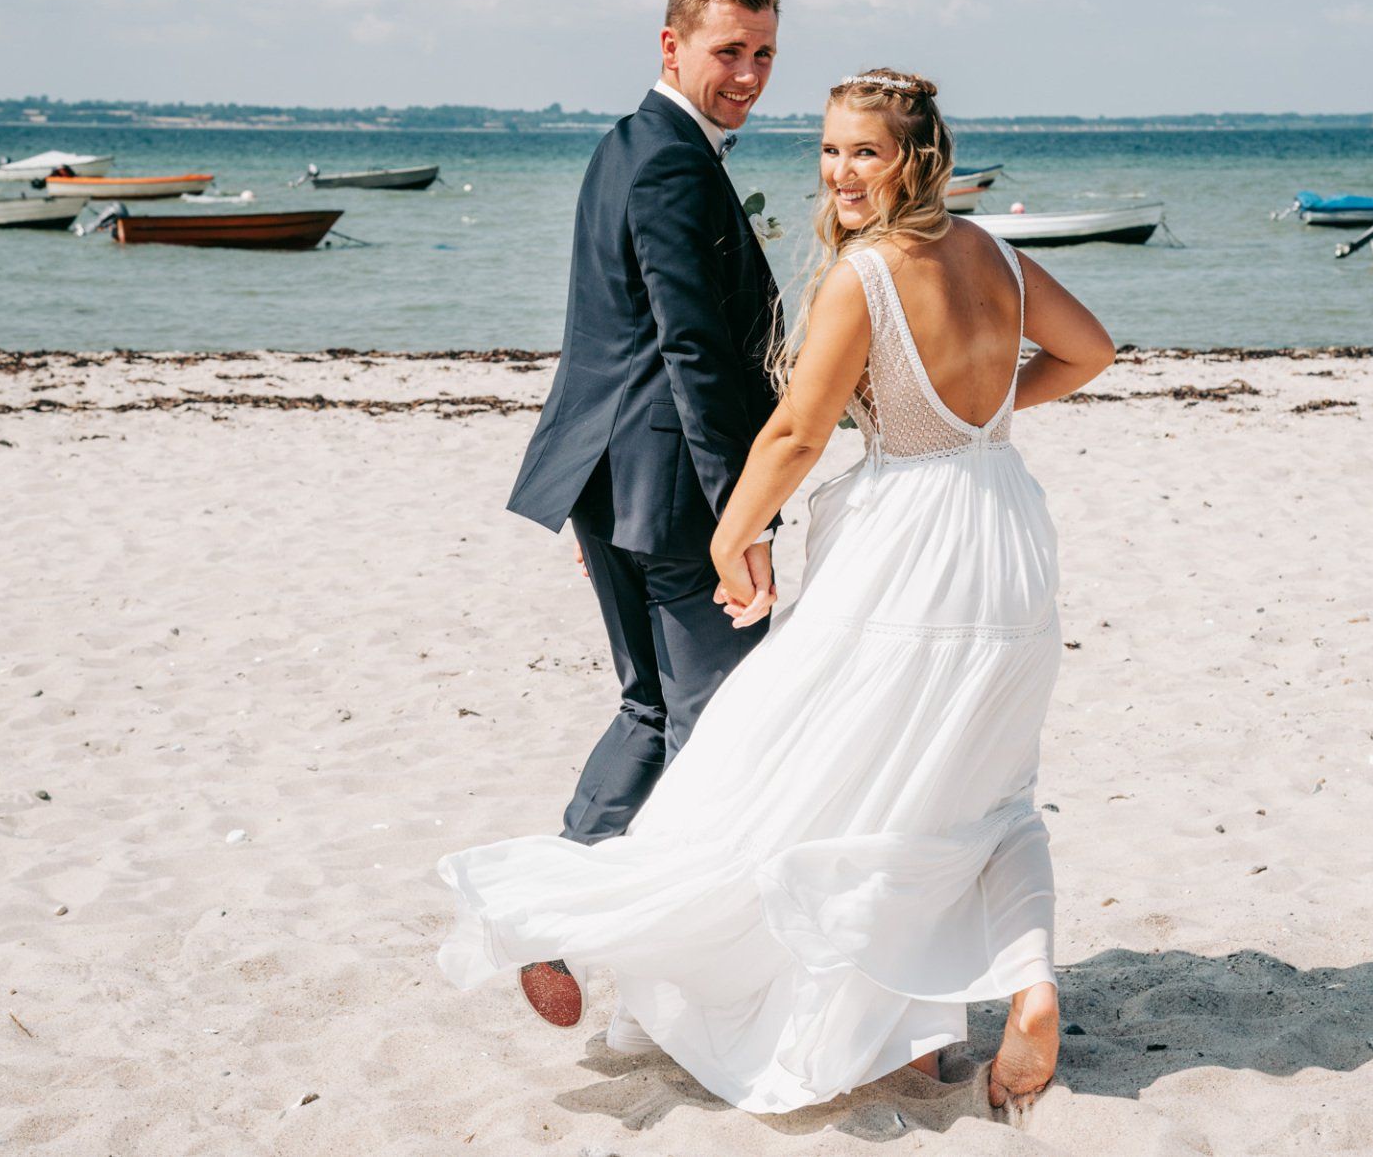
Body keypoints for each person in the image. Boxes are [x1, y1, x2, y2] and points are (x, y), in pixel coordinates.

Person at [439, 67, 1115, 1114]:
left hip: (909, 542)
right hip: (1005, 523)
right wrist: (985, 419)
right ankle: (1023, 985)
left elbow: (796, 433)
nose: (842, 173)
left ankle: (861, 1011)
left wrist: (732, 535)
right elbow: (1092, 351)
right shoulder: (996, 256)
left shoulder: (871, 276)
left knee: (792, 753)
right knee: (974, 782)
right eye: (830, 152)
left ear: (914, 158)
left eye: (865, 152)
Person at [497, 0, 783, 1028]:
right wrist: (738, 517)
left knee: (652, 706)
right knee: (730, 719)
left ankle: (545, 912)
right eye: (728, 51)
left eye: (762, 54)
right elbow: (692, 347)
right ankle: (724, 977)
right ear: (671, 45)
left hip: (614, 472)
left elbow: (598, 331)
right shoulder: (672, 162)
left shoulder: (628, 146)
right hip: (669, 485)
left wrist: (595, 492)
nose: (747, 74)